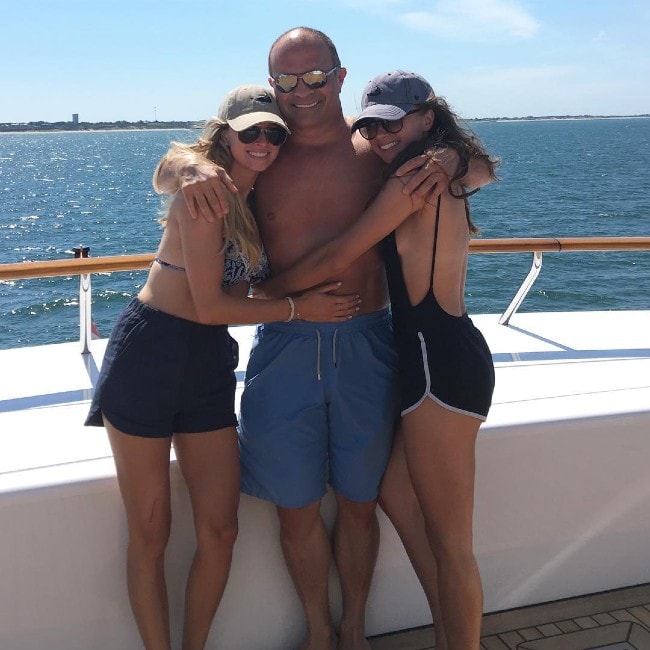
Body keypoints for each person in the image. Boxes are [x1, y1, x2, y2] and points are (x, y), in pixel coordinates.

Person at [154, 28, 494, 650]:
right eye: (286, 80)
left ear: (340, 77)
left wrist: (452, 157)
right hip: (286, 343)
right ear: (271, 83)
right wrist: (192, 165)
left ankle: (356, 630)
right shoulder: (262, 152)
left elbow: (474, 166)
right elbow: (181, 160)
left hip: (373, 343)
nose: (301, 91)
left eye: (315, 77)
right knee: (297, 508)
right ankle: (318, 632)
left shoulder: (377, 146)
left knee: (362, 503)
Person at [85, 84, 360, 650]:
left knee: (220, 528)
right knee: (152, 531)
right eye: (250, 131)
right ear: (225, 134)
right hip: (151, 354)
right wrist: (298, 309)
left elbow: (242, 285)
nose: (262, 142)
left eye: (273, 132)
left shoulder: (254, 197)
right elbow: (211, 307)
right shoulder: (205, 190)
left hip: (209, 362)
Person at [259, 70, 498, 650]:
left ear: (426, 118)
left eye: (395, 125)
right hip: (426, 355)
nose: (383, 137)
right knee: (393, 493)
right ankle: (447, 629)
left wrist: (267, 297)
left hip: (439, 362)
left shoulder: (416, 180)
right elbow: (482, 167)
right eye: (372, 126)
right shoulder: (438, 165)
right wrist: (453, 154)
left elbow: (344, 250)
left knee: (452, 544)